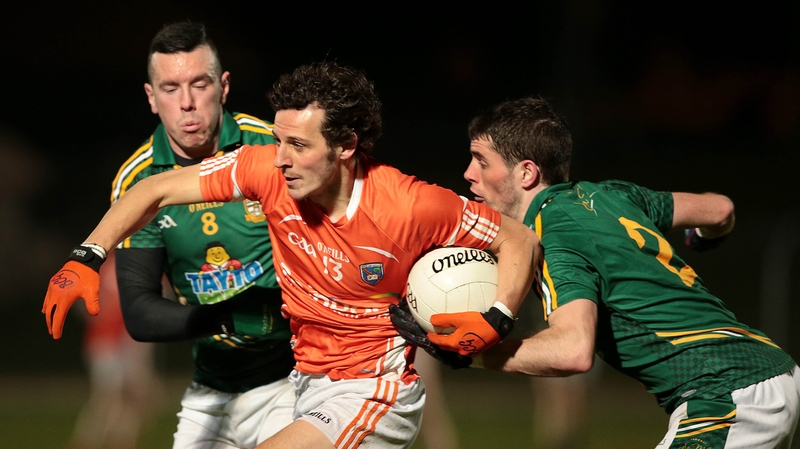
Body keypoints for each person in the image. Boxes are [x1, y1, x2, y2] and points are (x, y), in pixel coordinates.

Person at [42, 61, 539, 449]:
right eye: (278, 140)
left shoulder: (410, 204)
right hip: (302, 383)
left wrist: (496, 316)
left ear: (346, 146)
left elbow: (520, 240)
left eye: (298, 145)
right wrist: (85, 256)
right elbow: (153, 190)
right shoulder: (267, 172)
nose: (280, 156)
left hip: (371, 390)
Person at [394, 96, 800, 448]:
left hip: (726, 393)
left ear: (526, 173)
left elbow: (572, 350)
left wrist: (470, 355)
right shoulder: (610, 194)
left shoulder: (554, 232)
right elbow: (721, 209)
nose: (468, 173)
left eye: (482, 161)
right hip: (765, 371)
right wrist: (705, 235)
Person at [109, 21, 296, 448]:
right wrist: (227, 318)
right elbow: (139, 310)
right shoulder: (137, 179)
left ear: (224, 86)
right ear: (152, 98)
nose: (188, 103)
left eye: (200, 83)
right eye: (171, 89)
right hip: (211, 388)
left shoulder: (273, 148)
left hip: (299, 376)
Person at [67, 251, 163, 449]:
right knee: (111, 397)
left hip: (127, 341)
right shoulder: (112, 267)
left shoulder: (136, 268)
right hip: (109, 342)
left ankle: (119, 440)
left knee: (132, 397)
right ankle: (89, 440)